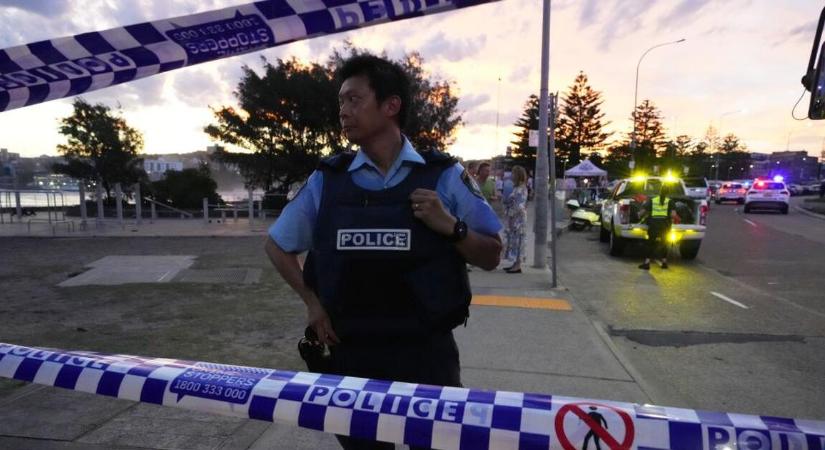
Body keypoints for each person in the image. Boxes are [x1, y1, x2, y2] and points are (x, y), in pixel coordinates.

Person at [264, 55, 502, 450]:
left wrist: (451, 227)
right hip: (353, 354)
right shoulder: (329, 180)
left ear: (391, 106)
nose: (343, 111)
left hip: (427, 355)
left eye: (354, 99)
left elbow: (492, 254)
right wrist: (312, 303)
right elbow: (277, 245)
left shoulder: (442, 174)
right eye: (340, 101)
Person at [639, 183, 676, 270]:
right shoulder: (670, 201)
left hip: (654, 225)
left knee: (650, 243)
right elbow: (673, 215)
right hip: (665, 225)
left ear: (660, 191)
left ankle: (647, 263)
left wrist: (639, 215)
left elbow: (643, 211)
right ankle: (664, 263)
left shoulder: (653, 200)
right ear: (668, 192)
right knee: (664, 243)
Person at [503, 166, 528, 273]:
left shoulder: (520, 189)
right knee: (514, 240)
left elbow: (518, 206)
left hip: (517, 218)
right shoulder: (519, 188)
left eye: (513, 174)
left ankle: (517, 265)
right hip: (516, 217)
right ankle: (515, 263)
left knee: (517, 241)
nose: (511, 176)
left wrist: (511, 218)